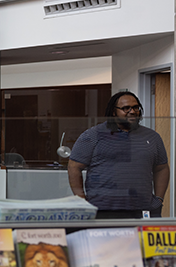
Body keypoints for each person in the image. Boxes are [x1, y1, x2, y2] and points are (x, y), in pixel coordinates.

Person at [68, 91, 170, 219]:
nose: (132, 112)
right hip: (103, 210)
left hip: (143, 209)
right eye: (125, 108)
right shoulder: (92, 135)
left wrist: (159, 199)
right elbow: (74, 167)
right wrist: (81, 201)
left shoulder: (152, 137)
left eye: (135, 107)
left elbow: (161, 168)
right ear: (113, 112)